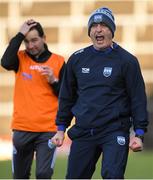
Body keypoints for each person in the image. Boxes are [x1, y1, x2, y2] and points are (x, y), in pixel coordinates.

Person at [51, 7, 149, 179]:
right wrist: (60, 128)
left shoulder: (127, 61)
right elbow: (67, 97)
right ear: (89, 32)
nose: (98, 29)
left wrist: (139, 133)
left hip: (114, 131)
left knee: (112, 175)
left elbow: (138, 99)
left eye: (103, 25)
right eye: (94, 26)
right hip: (83, 130)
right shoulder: (77, 59)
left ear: (112, 30)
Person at [1, 19, 65, 179]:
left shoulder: (59, 61)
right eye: (26, 41)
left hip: (48, 130)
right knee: (20, 176)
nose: (30, 45)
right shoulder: (20, 58)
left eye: (34, 40)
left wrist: (54, 81)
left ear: (44, 38)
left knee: (43, 174)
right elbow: (5, 62)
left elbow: (67, 96)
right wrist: (20, 34)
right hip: (22, 128)